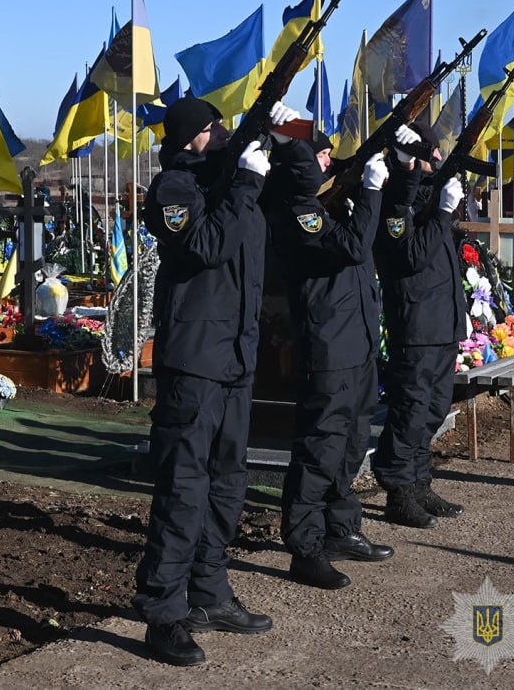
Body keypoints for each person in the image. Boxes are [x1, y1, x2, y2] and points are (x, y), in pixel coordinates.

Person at [132, 97, 275, 667]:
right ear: (189, 137)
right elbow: (206, 246)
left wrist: (271, 139)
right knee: (183, 487)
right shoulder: (172, 189)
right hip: (194, 360)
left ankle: (210, 593)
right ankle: (162, 612)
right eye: (211, 127)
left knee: (226, 482)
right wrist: (242, 182)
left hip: (235, 356)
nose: (221, 133)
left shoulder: (222, 183)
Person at [264, 119, 392, 590]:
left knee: (352, 441)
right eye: (320, 155)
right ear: (300, 166)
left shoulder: (325, 202)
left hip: (355, 343)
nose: (328, 161)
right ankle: (305, 547)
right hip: (329, 347)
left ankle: (341, 527)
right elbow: (355, 247)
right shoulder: (302, 211)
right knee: (321, 448)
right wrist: (373, 191)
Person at [371, 122, 470, 528]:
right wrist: (443, 213)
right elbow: (410, 257)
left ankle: (419, 482)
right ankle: (398, 491)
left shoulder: (427, 199)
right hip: (416, 327)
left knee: (432, 410)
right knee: (410, 411)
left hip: (442, 324)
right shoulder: (397, 205)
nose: (438, 159)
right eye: (431, 154)